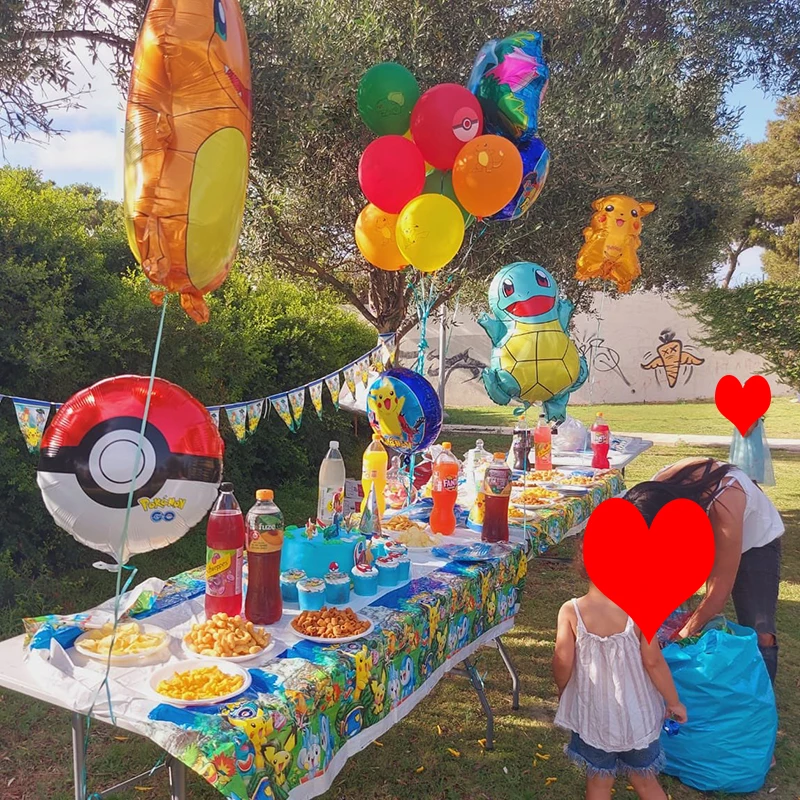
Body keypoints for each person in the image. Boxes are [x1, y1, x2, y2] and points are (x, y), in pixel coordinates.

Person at [626, 458, 784, 682]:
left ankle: (760, 696)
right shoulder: (655, 492)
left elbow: (718, 593)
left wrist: (681, 636)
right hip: (703, 530)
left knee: (760, 630)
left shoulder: (726, 500)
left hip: (755, 545)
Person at [554, 542, 687, 800]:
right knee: (646, 781)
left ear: (583, 564)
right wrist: (674, 702)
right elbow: (654, 662)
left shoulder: (571, 611)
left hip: (592, 716)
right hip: (638, 717)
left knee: (599, 783)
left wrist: (563, 689)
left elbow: (562, 661)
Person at [729, 417, 775, 486]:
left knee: (750, 480)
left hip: (750, 453)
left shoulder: (753, 418)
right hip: (741, 452)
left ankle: (756, 492)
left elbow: (746, 434)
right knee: (741, 480)